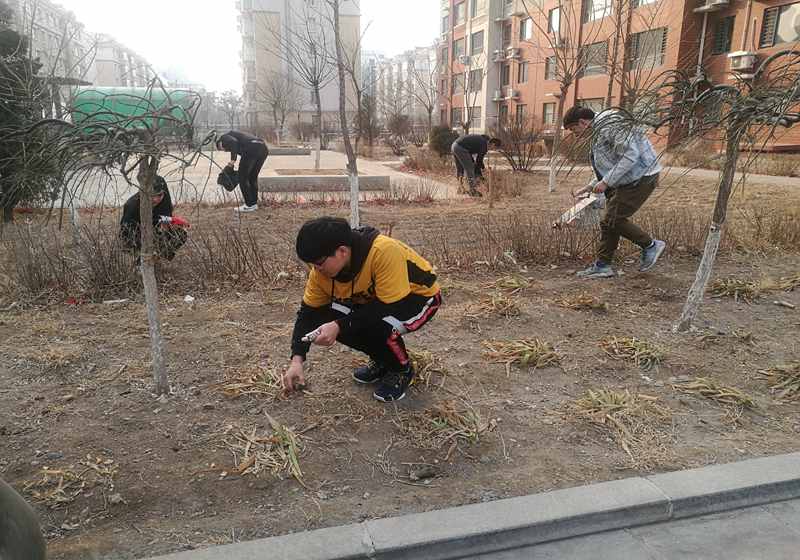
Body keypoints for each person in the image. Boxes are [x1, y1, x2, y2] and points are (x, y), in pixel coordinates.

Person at [283, 217, 442, 403]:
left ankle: (401, 370)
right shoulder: (320, 273)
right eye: (311, 264)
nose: (315, 270)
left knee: (377, 326)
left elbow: (386, 308)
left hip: (418, 298)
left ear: (342, 251)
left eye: (319, 262)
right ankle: (382, 360)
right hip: (378, 301)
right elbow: (308, 313)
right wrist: (297, 359)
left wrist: (339, 325)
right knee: (329, 319)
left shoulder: (383, 251)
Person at [564, 106, 666, 279]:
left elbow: (629, 156)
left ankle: (651, 245)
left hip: (641, 176)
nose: (576, 135)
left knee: (613, 219)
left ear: (583, 122)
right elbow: (610, 162)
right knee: (608, 222)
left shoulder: (610, 125)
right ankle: (603, 266)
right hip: (628, 177)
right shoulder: (599, 128)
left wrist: (606, 182)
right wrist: (590, 186)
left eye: (575, 130)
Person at [119, 175, 188, 261]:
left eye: (159, 195)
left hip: (154, 233)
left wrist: (171, 220)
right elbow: (126, 232)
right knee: (143, 248)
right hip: (136, 236)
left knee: (181, 233)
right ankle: (141, 261)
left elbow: (162, 218)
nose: (156, 199)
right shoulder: (132, 205)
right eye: (152, 195)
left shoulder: (164, 200)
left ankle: (157, 258)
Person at [216, 130, 269, 213]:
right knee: (252, 178)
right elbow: (235, 145)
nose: (224, 150)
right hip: (263, 148)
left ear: (219, 143)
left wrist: (233, 160)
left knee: (242, 178)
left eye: (222, 149)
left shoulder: (224, 137)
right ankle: (253, 204)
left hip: (251, 148)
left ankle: (248, 205)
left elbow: (233, 142)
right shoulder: (238, 141)